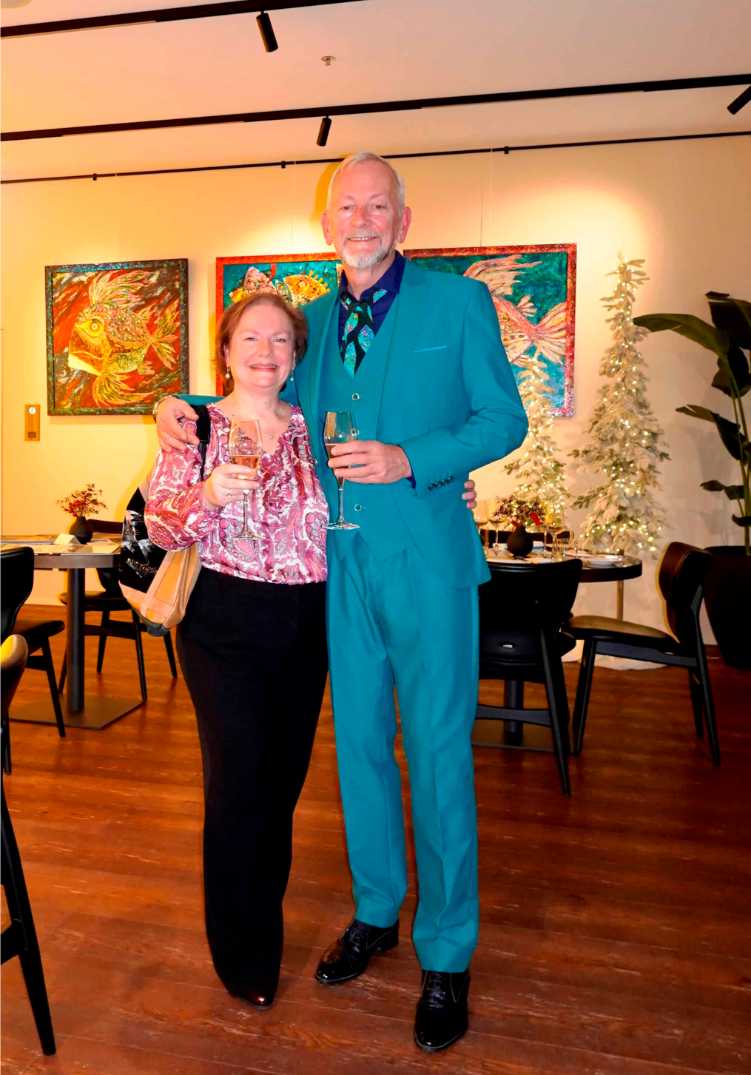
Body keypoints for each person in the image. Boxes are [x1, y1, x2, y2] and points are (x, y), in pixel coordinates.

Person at [156, 152, 528, 1051]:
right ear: (327, 225)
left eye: (376, 205)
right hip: (333, 568)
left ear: (404, 218)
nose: (361, 219)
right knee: (357, 749)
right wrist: (175, 402)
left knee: (436, 754)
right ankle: (374, 911)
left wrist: (416, 459)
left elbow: (502, 418)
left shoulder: (458, 303)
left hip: (427, 564)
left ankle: (447, 950)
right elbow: (259, 389)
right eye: (346, 207)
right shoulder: (312, 322)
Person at [145, 292, 329, 1009]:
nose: (265, 351)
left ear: (296, 355)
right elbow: (162, 527)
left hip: (307, 618)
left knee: (280, 785)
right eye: (250, 337)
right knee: (237, 782)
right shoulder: (194, 428)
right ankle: (242, 949)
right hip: (223, 620)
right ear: (225, 351)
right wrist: (208, 494)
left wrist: (447, 488)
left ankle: (263, 922)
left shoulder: (316, 428)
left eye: (280, 340)